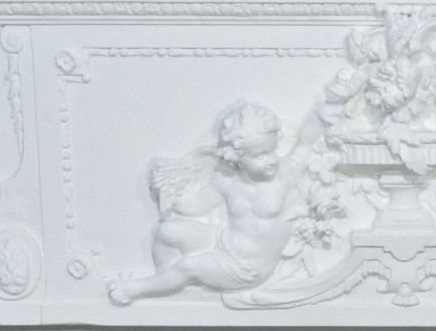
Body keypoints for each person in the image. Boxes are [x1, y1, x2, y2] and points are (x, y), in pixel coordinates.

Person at [108, 102, 327, 305]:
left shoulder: (285, 176)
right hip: (222, 243)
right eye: (259, 155)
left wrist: (320, 114)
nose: (270, 160)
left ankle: (137, 290)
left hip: (249, 268)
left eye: (271, 151)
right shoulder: (226, 180)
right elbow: (197, 206)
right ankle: (163, 281)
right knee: (167, 231)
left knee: (188, 266)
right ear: (237, 158)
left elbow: (305, 143)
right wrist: (171, 195)